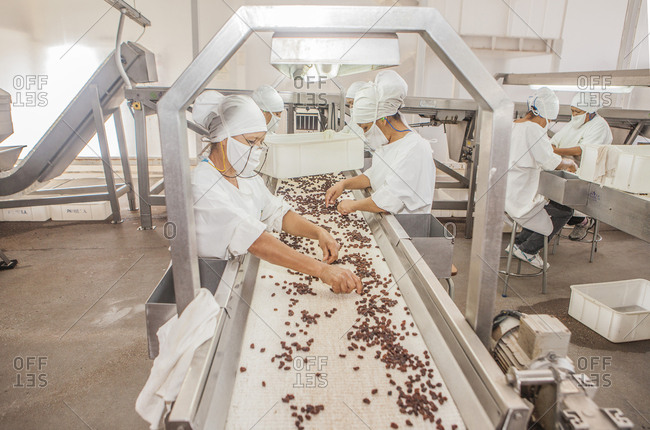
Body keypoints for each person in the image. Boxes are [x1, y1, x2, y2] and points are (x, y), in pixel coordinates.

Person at [191, 93, 362, 294]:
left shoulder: (245, 176)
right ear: (223, 140)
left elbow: (277, 213)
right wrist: (322, 270)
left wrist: (318, 232)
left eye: (260, 142)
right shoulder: (202, 185)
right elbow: (255, 241)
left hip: (239, 276)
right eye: (251, 141)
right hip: (212, 288)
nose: (257, 149)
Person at [325, 70, 435, 216]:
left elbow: (391, 198)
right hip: (388, 220)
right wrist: (344, 184)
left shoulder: (414, 148)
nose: (364, 134)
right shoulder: (388, 144)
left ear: (383, 119)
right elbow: (374, 175)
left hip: (407, 230)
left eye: (366, 128)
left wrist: (353, 205)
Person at [505, 87, 578, 269]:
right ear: (545, 116)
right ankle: (528, 250)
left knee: (546, 209)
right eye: (549, 120)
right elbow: (550, 162)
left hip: (506, 195)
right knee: (564, 210)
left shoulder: (513, 124)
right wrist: (569, 163)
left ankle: (517, 244)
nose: (548, 123)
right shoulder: (534, 129)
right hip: (521, 197)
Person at [551, 92, 613, 240]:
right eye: (572, 111)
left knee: (571, 208)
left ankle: (584, 222)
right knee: (557, 204)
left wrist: (555, 151)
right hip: (567, 169)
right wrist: (551, 146)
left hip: (587, 172)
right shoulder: (574, 123)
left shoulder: (599, 126)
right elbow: (555, 139)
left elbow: (583, 149)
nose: (574, 115)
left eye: (578, 112)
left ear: (591, 111)